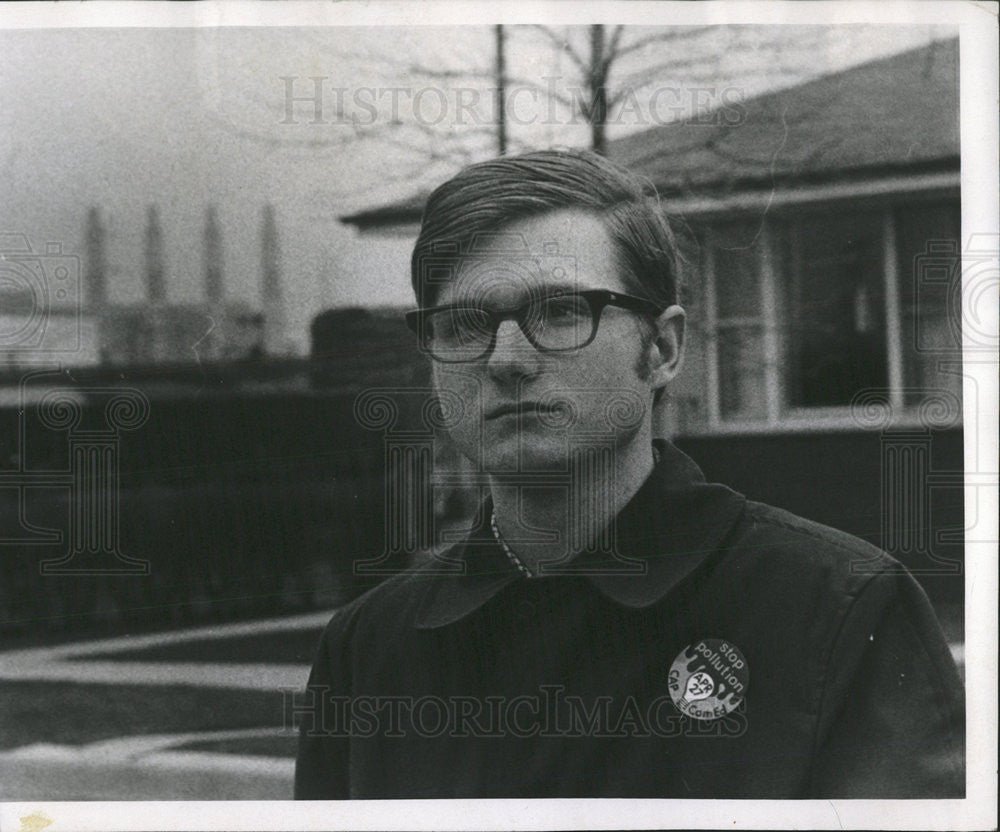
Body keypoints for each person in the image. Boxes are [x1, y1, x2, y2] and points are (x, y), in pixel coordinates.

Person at [294, 149, 964, 799]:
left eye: (560, 311)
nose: (505, 359)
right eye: (465, 323)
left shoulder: (837, 612)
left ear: (664, 349)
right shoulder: (368, 651)